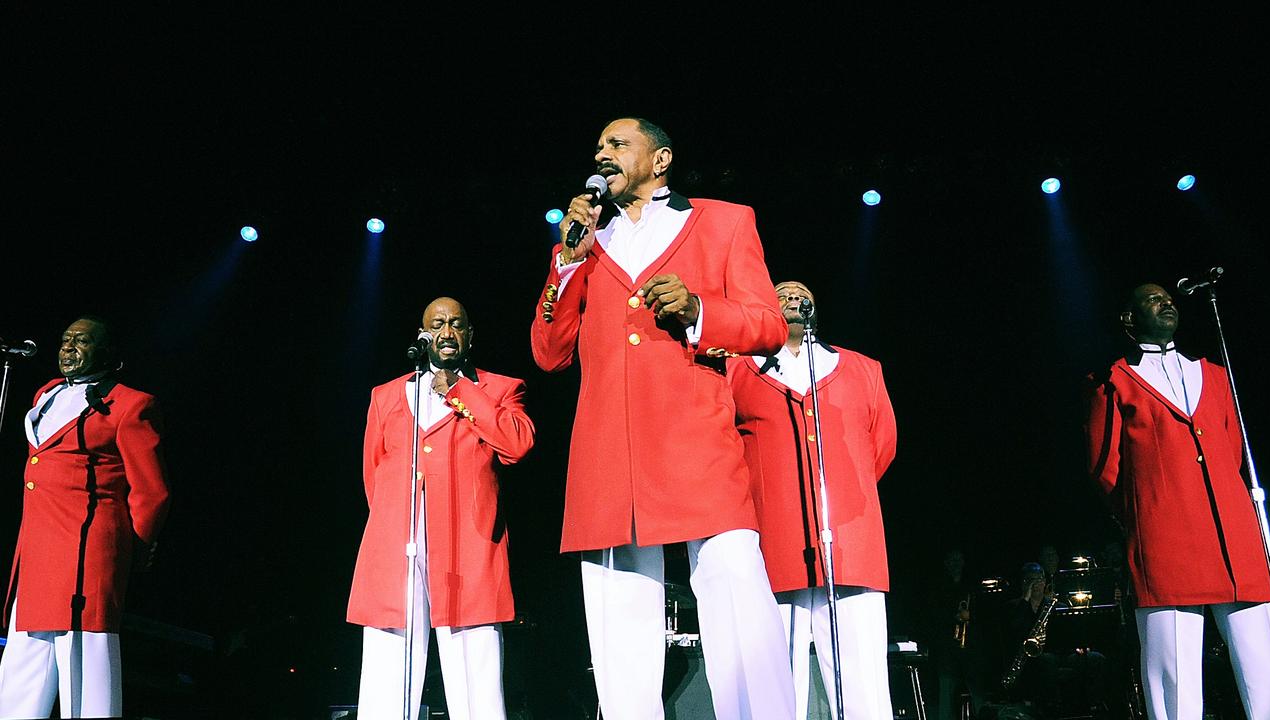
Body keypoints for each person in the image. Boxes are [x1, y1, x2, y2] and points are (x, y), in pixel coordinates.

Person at [530, 117, 794, 718]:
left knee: (736, 595)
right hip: (609, 458)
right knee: (620, 629)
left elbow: (770, 325)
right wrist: (567, 264)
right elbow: (549, 352)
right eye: (597, 146)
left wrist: (701, 308)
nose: (602, 153)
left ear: (661, 159)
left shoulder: (725, 221)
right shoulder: (585, 244)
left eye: (617, 144)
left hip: (696, 442)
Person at [1084, 282, 1270, 720]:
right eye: (1153, 300)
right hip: (1166, 539)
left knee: (1264, 664)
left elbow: (1230, 450)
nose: (1166, 303)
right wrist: (1152, 509)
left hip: (1234, 537)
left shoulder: (1213, 373)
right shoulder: (1113, 382)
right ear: (1129, 320)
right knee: (1174, 676)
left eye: (1168, 298)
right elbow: (1106, 470)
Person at [348, 297, 534, 720]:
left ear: (470, 335)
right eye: (437, 324)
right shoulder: (385, 396)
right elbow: (372, 474)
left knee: (476, 676)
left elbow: (517, 445)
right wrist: (395, 525)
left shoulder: (500, 389)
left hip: (467, 548)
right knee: (386, 670)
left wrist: (458, 390)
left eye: (456, 324)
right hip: (396, 547)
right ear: (422, 335)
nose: (446, 332)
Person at [724, 280, 897, 719]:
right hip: (773, 546)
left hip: (852, 545)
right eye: (780, 294)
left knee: (863, 682)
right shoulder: (738, 371)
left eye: (801, 295)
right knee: (774, 686)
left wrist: (840, 492)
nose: (791, 300)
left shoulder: (862, 369)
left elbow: (881, 447)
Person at [0, 315, 170, 718]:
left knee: (84, 665)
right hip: (38, 550)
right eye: (65, 339)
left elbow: (152, 490)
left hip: (85, 551)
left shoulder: (130, 405)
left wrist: (134, 548)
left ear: (109, 353)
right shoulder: (47, 394)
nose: (69, 347)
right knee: (23, 664)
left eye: (83, 341)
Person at [926, 548, 987, 720]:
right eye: (952, 560)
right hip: (947, 649)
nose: (956, 564)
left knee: (977, 691)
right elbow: (932, 614)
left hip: (971, 649)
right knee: (946, 690)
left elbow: (985, 614)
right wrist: (954, 616)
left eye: (959, 559)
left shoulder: (971, 585)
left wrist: (970, 616)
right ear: (946, 563)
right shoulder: (938, 586)